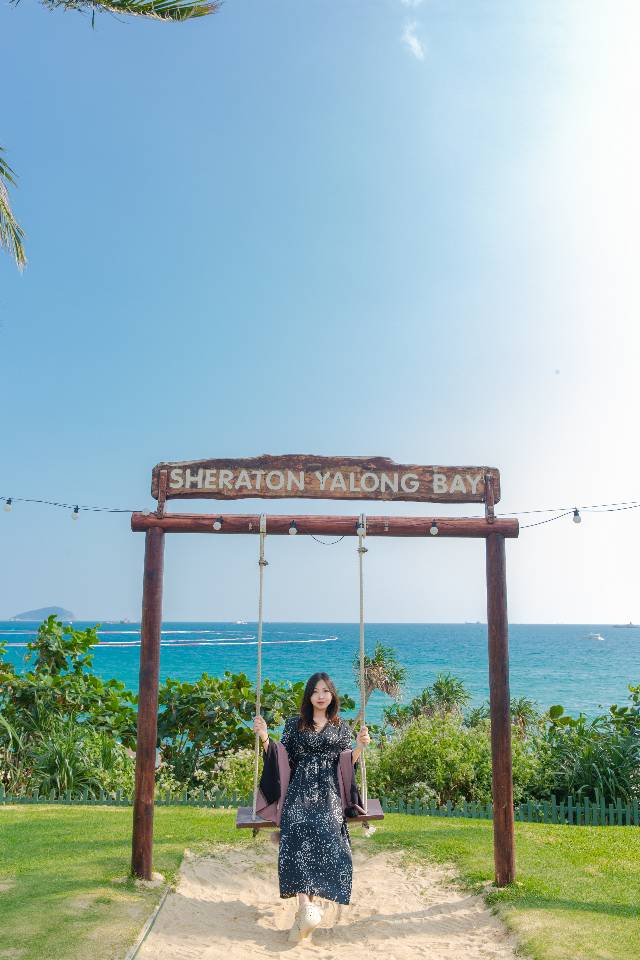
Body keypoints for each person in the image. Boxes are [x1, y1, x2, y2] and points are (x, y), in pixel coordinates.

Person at [253, 671, 370, 941]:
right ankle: (306, 905)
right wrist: (264, 736)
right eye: (315, 691)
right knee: (296, 828)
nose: (320, 696)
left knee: (327, 831)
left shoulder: (341, 727)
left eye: (325, 691)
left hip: (329, 792)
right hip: (300, 790)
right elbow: (282, 757)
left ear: (332, 695)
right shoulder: (295, 725)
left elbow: (346, 761)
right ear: (309, 695)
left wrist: (359, 747)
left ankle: (306, 910)